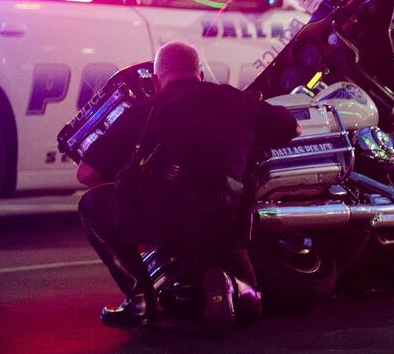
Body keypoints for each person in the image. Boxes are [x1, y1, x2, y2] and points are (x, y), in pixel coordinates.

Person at [76, 41, 300, 332]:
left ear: (157, 80)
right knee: (249, 306)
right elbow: (292, 128)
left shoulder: (147, 108)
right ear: (200, 73)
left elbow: (86, 174)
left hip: (164, 220)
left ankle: (140, 302)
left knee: (91, 203)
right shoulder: (235, 100)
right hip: (228, 219)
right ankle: (235, 286)